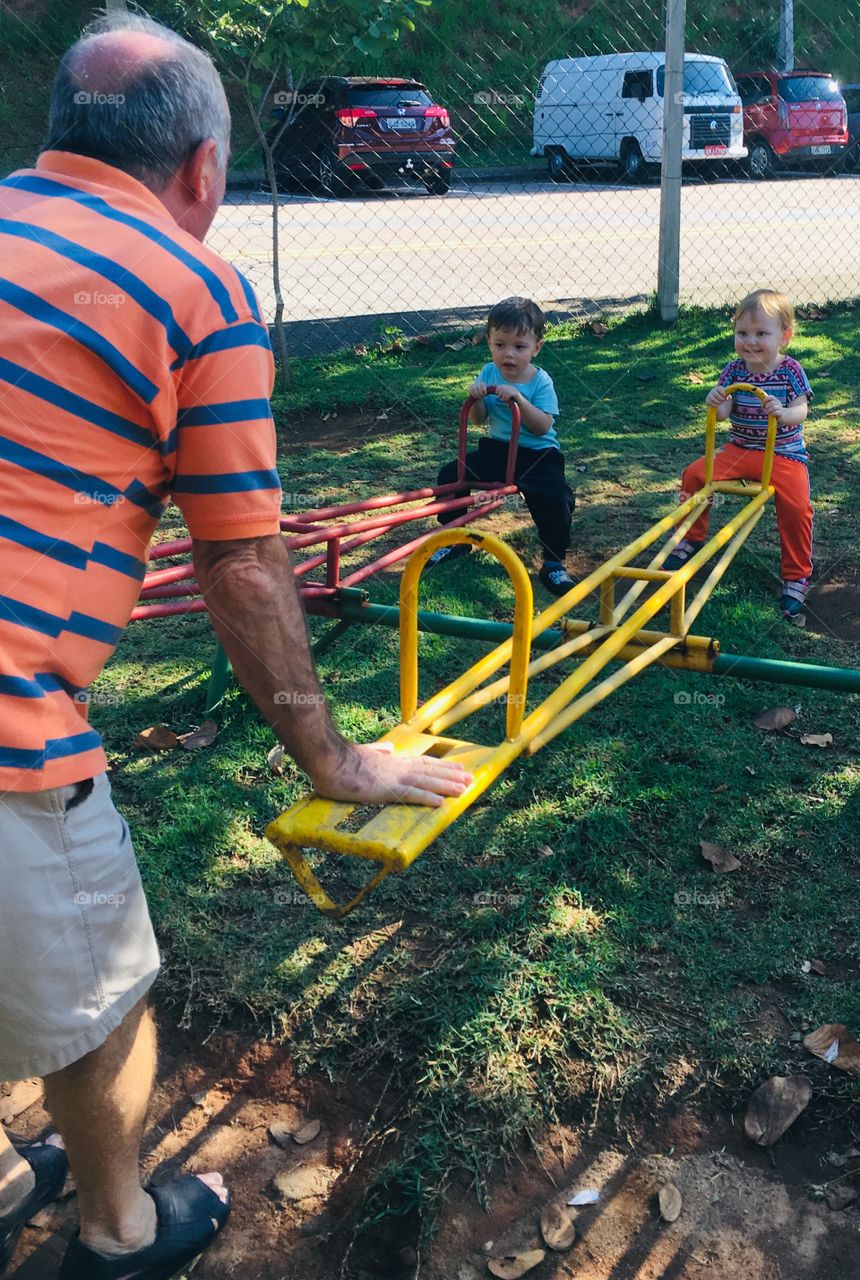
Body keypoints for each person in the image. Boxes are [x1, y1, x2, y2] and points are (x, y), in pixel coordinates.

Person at [0, 14, 470, 1279]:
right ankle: (116, 1231)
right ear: (204, 169)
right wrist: (335, 759)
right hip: (8, 726)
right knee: (99, 1003)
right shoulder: (190, 284)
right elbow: (242, 558)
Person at [665, 289, 813, 619]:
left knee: (797, 507)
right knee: (694, 475)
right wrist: (716, 401)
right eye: (742, 333)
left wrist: (783, 412)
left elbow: (801, 410)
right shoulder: (734, 371)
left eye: (761, 333)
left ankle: (796, 575)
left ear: (784, 337)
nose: (750, 342)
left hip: (783, 454)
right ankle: (691, 537)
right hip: (741, 449)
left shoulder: (790, 371)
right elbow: (722, 414)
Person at [431, 297, 576, 597]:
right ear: (489, 343)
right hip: (497, 449)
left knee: (555, 497)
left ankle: (553, 562)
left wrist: (520, 401)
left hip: (538, 455)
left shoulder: (540, 381)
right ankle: (454, 539)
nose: (508, 354)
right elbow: (479, 420)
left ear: (536, 348)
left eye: (519, 347)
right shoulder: (488, 372)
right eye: (500, 345)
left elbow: (543, 426)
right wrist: (476, 398)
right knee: (450, 475)